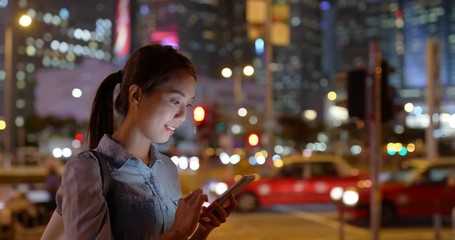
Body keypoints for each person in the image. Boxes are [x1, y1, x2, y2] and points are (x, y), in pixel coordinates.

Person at [55, 44, 237, 239]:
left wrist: (202, 230)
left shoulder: (167, 168)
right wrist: (177, 232)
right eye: (175, 101)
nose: (183, 115)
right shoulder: (86, 170)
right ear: (136, 96)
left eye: (188, 104)